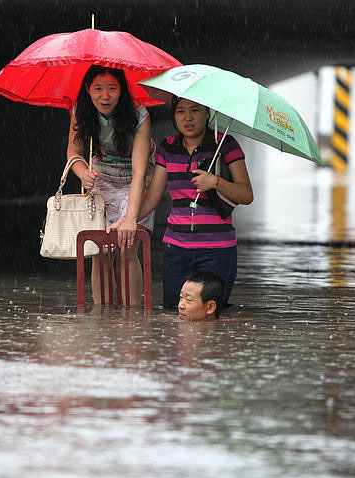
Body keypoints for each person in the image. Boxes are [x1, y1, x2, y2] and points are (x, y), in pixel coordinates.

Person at [137, 97, 253, 308]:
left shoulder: (225, 145)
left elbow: (246, 194)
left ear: (208, 113)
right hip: (176, 249)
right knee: (175, 313)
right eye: (181, 111)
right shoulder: (168, 148)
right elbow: (153, 196)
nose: (188, 117)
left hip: (217, 251)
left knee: (210, 316)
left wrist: (216, 182)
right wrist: (127, 220)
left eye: (195, 110)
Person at [66, 65, 155, 306]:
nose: (105, 97)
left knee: (126, 250)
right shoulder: (80, 110)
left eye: (112, 89)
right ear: (87, 89)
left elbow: (139, 172)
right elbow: (73, 153)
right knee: (100, 252)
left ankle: (132, 318)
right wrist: (83, 172)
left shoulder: (139, 115)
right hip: (102, 178)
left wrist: (130, 217)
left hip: (133, 180)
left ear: (122, 90)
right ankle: (100, 316)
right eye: (98, 89)